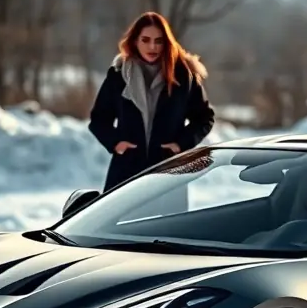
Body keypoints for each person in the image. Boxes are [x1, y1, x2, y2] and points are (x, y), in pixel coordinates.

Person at [88, 11, 216, 192]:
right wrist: (116, 143)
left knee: (167, 220)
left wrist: (181, 143)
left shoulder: (183, 76)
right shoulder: (119, 75)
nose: (152, 47)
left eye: (159, 41)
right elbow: (99, 119)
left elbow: (204, 118)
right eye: (145, 40)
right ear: (134, 41)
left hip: (170, 170)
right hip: (126, 171)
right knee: (125, 220)